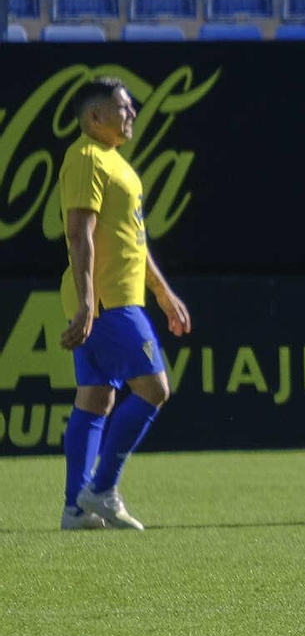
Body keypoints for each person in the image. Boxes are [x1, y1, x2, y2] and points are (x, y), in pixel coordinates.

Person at [56, 76, 191, 531]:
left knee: (96, 398)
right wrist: (89, 298)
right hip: (109, 301)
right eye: (123, 107)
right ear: (95, 117)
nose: (131, 113)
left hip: (113, 297)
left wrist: (162, 291)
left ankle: (76, 508)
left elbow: (132, 238)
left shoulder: (116, 165)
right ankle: (102, 488)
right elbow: (80, 233)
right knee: (154, 389)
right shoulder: (86, 157)